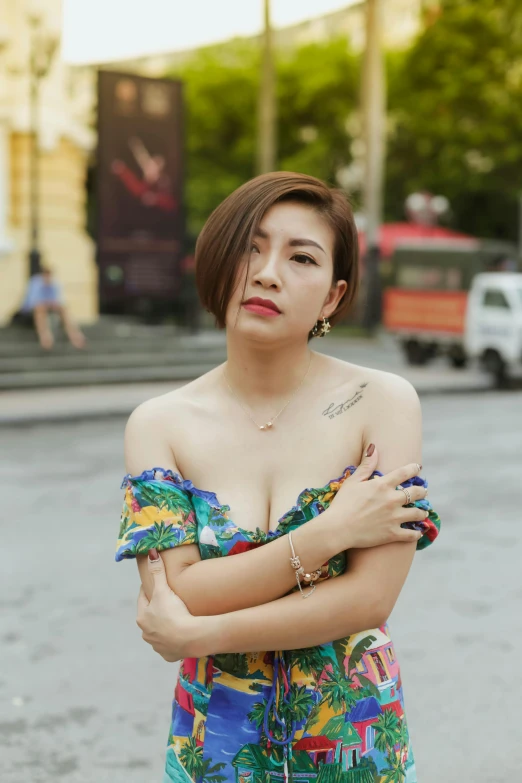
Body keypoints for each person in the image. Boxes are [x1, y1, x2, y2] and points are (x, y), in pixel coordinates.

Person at [115, 172, 441, 783]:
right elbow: (176, 593)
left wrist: (197, 635)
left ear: (333, 298)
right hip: (214, 748)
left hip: (351, 746)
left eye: (301, 257)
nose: (268, 272)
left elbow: (368, 599)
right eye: (251, 247)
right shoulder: (159, 424)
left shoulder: (382, 402)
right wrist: (329, 534)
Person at [19, 266, 86, 350]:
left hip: (48, 307)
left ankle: (75, 335)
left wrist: (53, 304)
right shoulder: (35, 282)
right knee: (40, 309)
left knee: (64, 309)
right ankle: (45, 338)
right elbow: (31, 302)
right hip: (34, 310)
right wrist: (46, 303)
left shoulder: (55, 283)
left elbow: (59, 300)